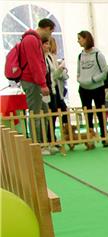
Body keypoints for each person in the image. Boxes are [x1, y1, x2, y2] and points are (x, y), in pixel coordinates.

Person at [18, 19, 54, 148]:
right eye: (51, 32)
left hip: (35, 81)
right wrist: (43, 84)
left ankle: (44, 143)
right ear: (47, 28)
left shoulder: (34, 39)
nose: (50, 36)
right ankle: (36, 145)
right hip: (32, 81)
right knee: (36, 114)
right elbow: (34, 64)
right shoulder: (31, 40)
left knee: (44, 112)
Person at [77, 30, 108, 147]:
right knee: (88, 114)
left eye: (80, 38)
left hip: (97, 88)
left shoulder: (98, 54)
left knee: (100, 113)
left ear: (86, 39)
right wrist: (80, 79)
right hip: (83, 88)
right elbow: (78, 71)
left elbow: (105, 72)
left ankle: (104, 137)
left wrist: (94, 79)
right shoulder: (80, 55)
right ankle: (90, 138)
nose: (78, 41)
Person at [43, 36, 68, 149]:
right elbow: (52, 75)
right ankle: (50, 138)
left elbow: (55, 75)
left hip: (55, 88)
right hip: (50, 89)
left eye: (50, 44)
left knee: (56, 113)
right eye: (47, 44)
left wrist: (61, 70)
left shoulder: (51, 56)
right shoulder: (46, 57)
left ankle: (54, 137)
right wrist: (60, 70)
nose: (49, 46)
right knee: (52, 115)